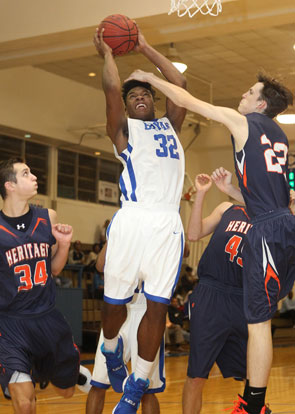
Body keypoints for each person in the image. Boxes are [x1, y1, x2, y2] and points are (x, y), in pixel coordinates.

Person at [127, 68, 295, 414]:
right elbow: (271, 197)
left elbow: (188, 101)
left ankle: (253, 405)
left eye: (250, 91)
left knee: (260, 322)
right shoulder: (279, 136)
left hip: (268, 228)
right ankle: (254, 403)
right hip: (280, 226)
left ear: (261, 104)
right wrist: (234, 191)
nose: (243, 95)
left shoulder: (244, 122)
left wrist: (151, 78)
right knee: (260, 319)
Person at [93, 23, 186, 413]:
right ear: (129, 108)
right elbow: (112, 90)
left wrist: (145, 48)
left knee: (158, 306)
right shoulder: (123, 132)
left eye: (147, 93)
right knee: (114, 306)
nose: (142, 97)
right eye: (136, 96)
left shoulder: (171, 125)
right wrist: (109, 55)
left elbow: (178, 82)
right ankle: (112, 349)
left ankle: (136, 385)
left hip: (167, 222)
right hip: (132, 221)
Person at [0, 158, 91, 414]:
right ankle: (21, 374)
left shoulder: (46, 217)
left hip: (47, 319)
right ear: (10, 185)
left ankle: (64, 373)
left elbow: (55, 269)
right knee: (25, 402)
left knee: (66, 392)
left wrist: (63, 244)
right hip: (10, 324)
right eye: (26, 174)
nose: (34, 177)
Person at [182, 172, 251, 414]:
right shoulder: (226, 208)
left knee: (252, 376)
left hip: (245, 299)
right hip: (211, 294)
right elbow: (193, 234)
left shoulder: (269, 217)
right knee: (197, 373)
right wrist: (201, 194)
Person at [86, 243, 164, 414]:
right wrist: (113, 237)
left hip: (147, 310)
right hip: (119, 308)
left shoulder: (162, 224)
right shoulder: (122, 223)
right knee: (98, 383)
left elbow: (185, 250)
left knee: (147, 390)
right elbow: (100, 265)